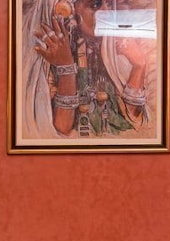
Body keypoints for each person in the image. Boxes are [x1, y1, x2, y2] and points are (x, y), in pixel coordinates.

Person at [22, 0, 158, 140]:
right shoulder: (49, 58)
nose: (106, 12)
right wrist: (66, 67)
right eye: (95, 5)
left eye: (109, 4)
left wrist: (139, 66)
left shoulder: (113, 46)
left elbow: (134, 120)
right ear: (68, 11)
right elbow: (61, 130)